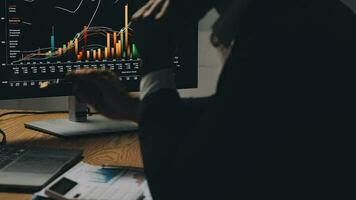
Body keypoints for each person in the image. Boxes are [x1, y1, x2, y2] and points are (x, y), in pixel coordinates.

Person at [67, 0, 356, 199]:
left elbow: (181, 189)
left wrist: (155, 59)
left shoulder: (275, 33)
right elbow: (244, 113)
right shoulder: (301, 14)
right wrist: (137, 109)